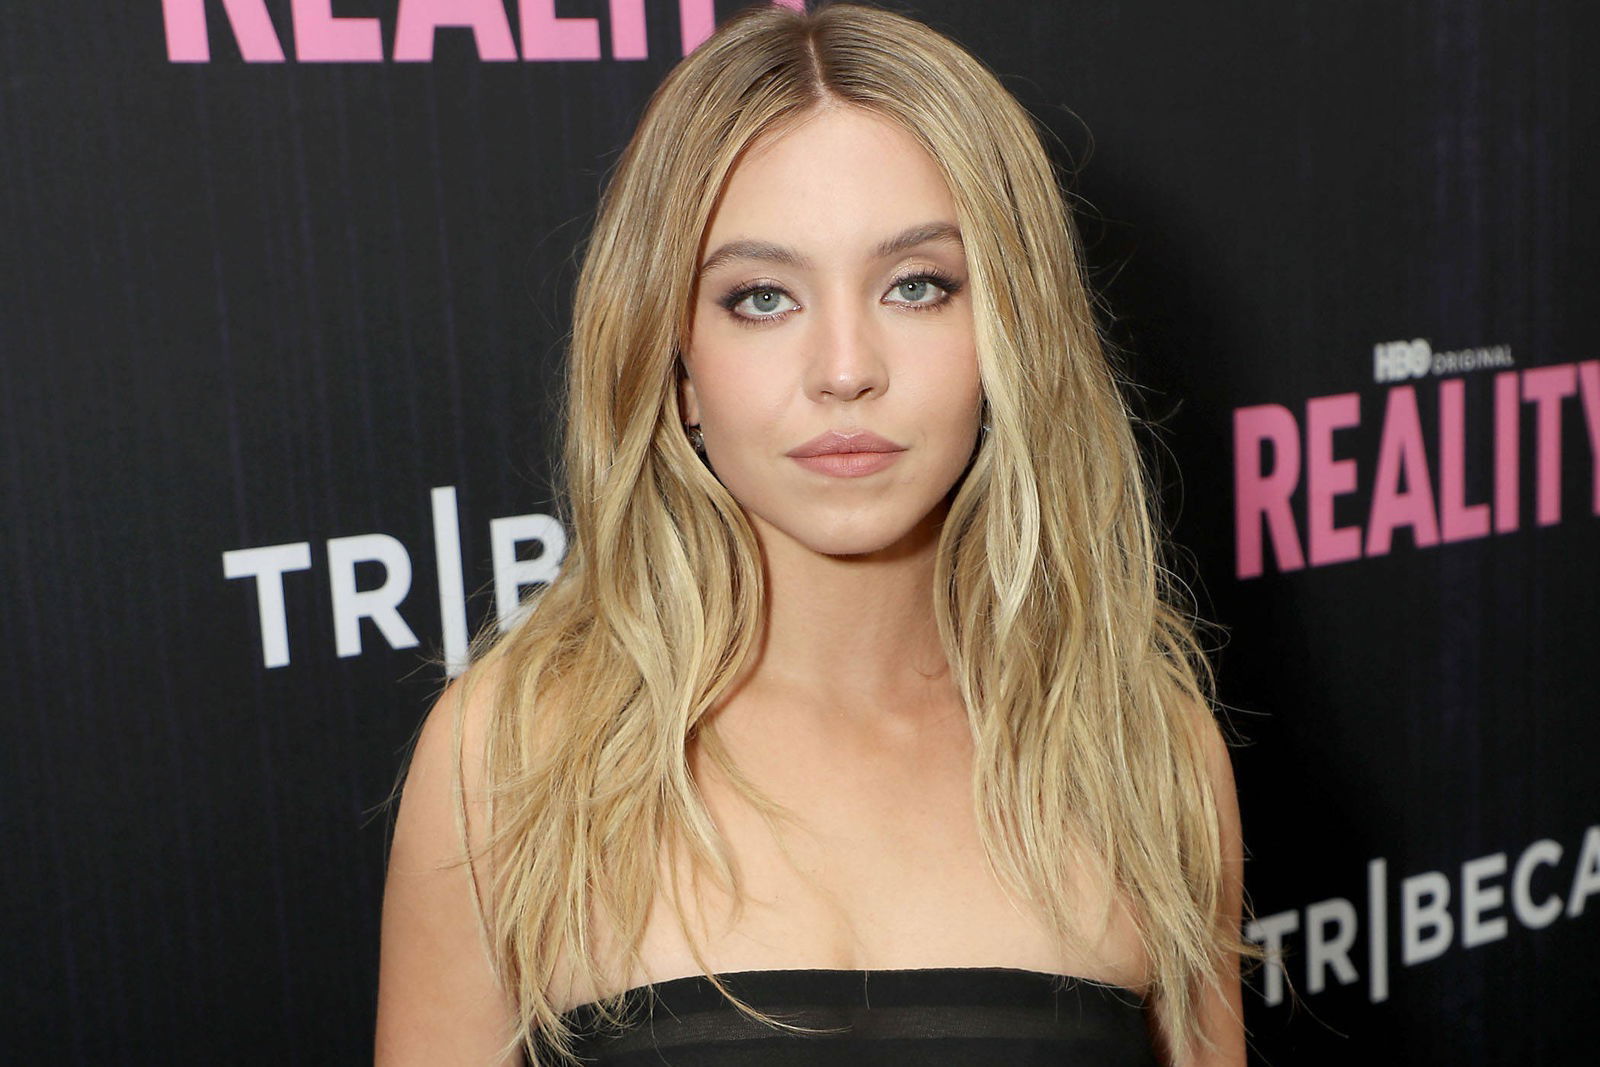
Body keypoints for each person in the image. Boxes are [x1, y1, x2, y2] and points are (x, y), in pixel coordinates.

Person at [375, 2, 1260, 1064]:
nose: (846, 369)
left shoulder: (1139, 745)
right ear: (674, 361)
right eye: (761, 298)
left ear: (1011, 333)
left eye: (917, 286)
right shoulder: (510, 757)